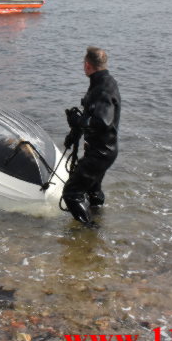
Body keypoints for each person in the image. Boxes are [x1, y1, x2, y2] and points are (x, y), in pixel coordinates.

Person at [61, 46, 121, 225]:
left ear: (87, 65)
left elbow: (103, 121)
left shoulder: (103, 89)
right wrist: (74, 134)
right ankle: (98, 222)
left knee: (71, 194)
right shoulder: (102, 82)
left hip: (100, 154)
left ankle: (88, 233)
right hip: (104, 151)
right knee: (93, 192)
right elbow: (90, 115)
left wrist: (77, 123)